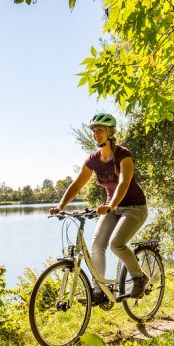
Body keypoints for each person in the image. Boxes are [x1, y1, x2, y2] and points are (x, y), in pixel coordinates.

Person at [50, 113, 149, 304]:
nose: (96, 134)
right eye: (94, 131)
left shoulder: (123, 155)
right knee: (97, 245)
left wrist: (110, 205)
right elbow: (78, 184)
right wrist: (60, 206)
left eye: (100, 130)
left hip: (134, 207)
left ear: (111, 132)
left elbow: (123, 183)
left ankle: (139, 277)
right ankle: (99, 291)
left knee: (116, 244)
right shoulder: (93, 159)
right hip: (111, 208)